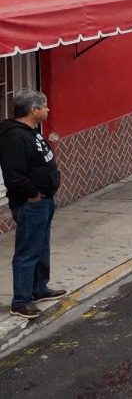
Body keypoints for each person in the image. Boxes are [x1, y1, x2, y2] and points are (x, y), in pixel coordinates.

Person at [1, 91, 64, 320]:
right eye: (44, 106)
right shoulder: (14, 138)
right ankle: (21, 301)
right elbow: (14, 175)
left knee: (41, 245)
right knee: (27, 251)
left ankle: (39, 288)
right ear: (33, 110)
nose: (48, 109)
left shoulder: (31, 132)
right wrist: (33, 194)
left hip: (45, 201)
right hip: (31, 204)